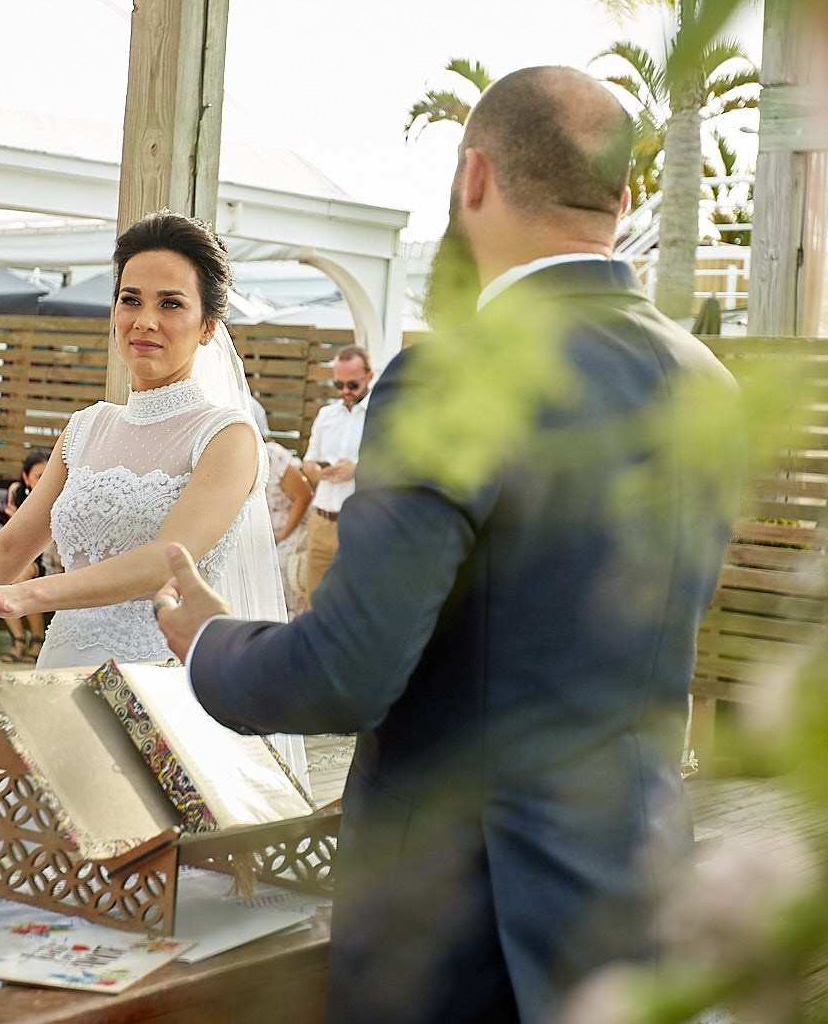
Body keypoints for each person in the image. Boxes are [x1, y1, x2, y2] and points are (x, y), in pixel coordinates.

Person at [155, 66, 747, 1024]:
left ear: (473, 177)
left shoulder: (456, 378)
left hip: (462, 931)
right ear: (627, 197)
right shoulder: (707, 380)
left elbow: (348, 671)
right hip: (641, 896)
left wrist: (208, 641)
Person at [0, 211, 306, 784]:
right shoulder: (86, 427)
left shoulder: (227, 436)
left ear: (207, 326)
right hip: (60, 678)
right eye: (130, 300)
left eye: (171, 303)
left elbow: (163, 562)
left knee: (141, 861)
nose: (145, 320)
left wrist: (26, 598)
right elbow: (8, 548)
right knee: (48, 856)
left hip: (160, 689)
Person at [298, 344, 370, 601]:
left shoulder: (379, 416)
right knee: (313, 602)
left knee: (350, 604)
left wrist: (358, 470)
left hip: (357, 525)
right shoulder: (326, 414)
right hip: (320, 520)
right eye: (339, 385)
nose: (345, 392)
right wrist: (316, 472)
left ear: (369, 377)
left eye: (352, 385)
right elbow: (307, 462)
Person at [0, 448, 52, 663]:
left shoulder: (58, 497)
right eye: (39, 476)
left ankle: (37, 639)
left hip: (48, 557)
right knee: (3, 578)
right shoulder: (16, 493)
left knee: (19, 577)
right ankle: (18, 639)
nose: (45, 481)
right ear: (26, 478)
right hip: (21, 553)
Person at [258, 410, 314, 609]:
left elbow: (304, 495)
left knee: (279, 569)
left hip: (289, 529)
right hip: (261, 533)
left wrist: (282, 535)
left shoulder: (272, 454)